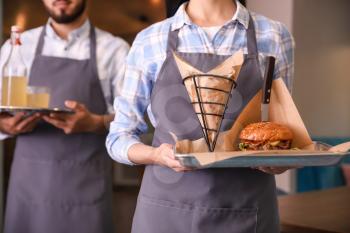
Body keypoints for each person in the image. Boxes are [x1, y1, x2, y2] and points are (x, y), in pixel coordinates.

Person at [107, 0, 294, 232]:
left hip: (247, 210)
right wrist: (156, 155)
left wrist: (277, 162)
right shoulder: (150, 40)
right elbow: (118, 136)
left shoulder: (274, 35)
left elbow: (282, 131)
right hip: (165, 212)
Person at [0, 0, 129, 232]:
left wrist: (97, 123)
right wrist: (5, 125)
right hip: (29, 190)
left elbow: (131, 119)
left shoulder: (114, 49)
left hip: (87, 189)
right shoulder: (17, 45)